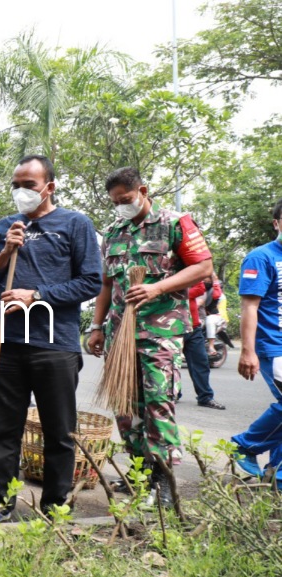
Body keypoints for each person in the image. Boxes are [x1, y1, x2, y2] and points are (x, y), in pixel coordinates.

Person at [0, 154, 102, 520]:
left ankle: (55, 508)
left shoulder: (75, 224)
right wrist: (4, 254)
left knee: (58, 432)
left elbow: (91, 281)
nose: (21, 191)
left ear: (49, 186)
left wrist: (37, 295)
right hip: (6, 345)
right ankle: (0, 505)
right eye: (16, 184)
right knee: (3, 433)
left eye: (29, 185)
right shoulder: (3, 227)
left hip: (55, 345)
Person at [87, 167, 212, 507]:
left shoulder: (174, 222)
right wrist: (96, 327)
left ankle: (166, 480)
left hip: (159, 331)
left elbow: (202, 267)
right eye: (116, 202)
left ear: (142, 190)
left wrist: (158, 286)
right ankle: (142, 475)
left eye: (126, 200)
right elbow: (106, 284)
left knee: (158, 405)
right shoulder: (113, 231)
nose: (121, 206)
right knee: (125, 409)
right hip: (118, 334)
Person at [230, 199, 282, 485]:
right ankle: (245, 445)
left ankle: (277, 473)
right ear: (276, 223)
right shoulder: (260, 257)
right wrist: (247, 351)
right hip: (273, 345)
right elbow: (249, 306)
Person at [179, 278, 226, 410]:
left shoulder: (191, 270)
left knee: (201, 362)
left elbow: (200, 288)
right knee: (171, 364)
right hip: (173, 328)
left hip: (194, 327)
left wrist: (174, 293)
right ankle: (173, 395)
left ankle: (205, 397)